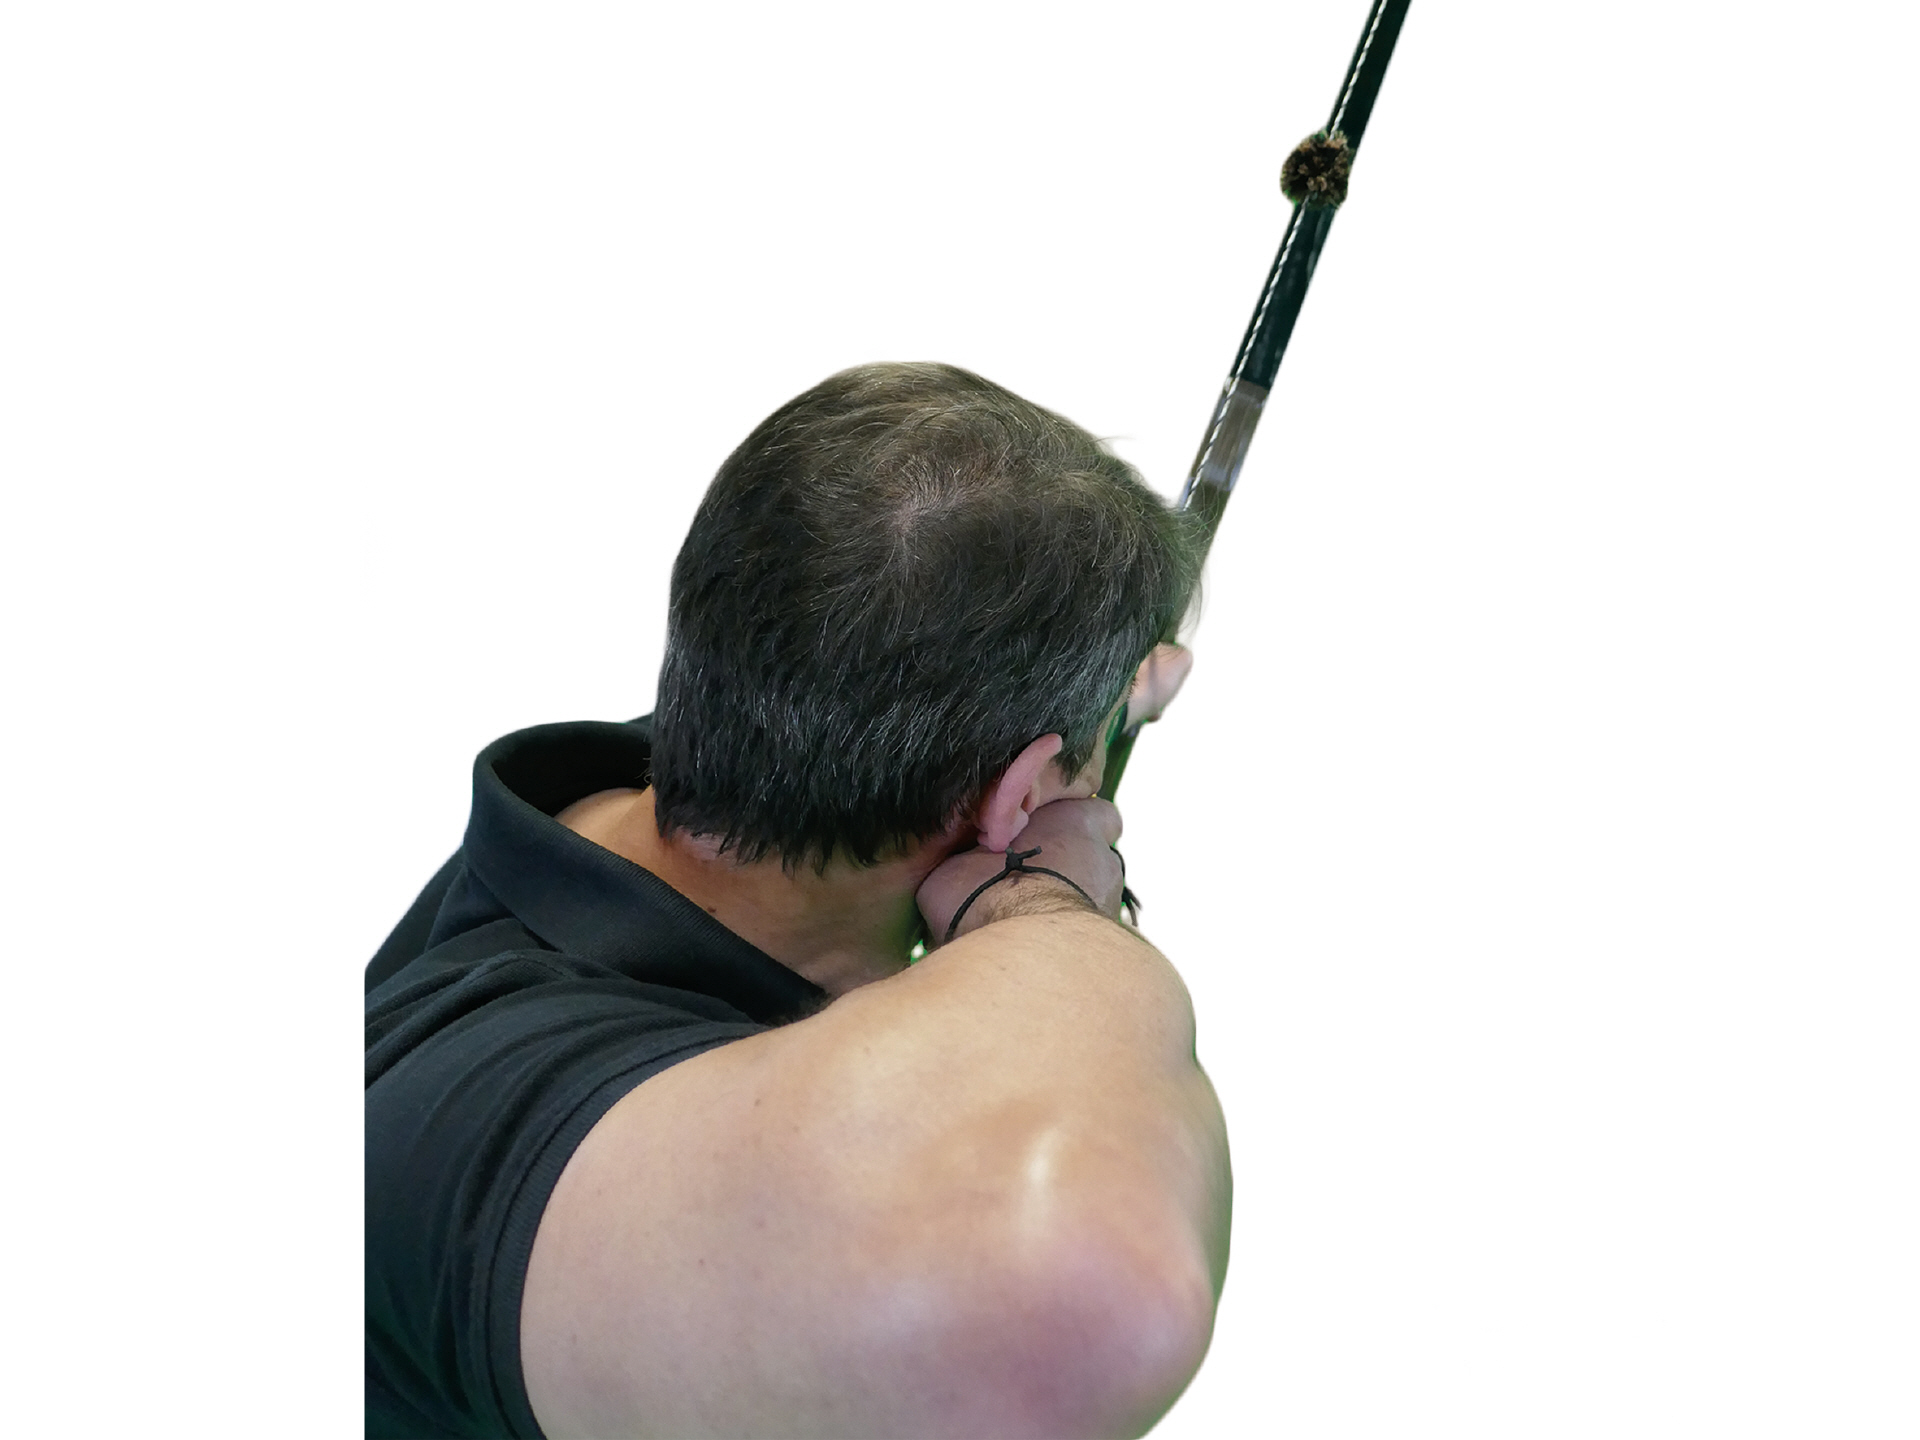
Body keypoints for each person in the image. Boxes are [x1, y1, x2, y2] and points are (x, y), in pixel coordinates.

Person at [365, 362, 1232, 1439]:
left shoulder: (714, 763)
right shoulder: (466, 1112)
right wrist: (1040, 904)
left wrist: (1088, 718)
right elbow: (1086, 1313)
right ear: (1016, 799)